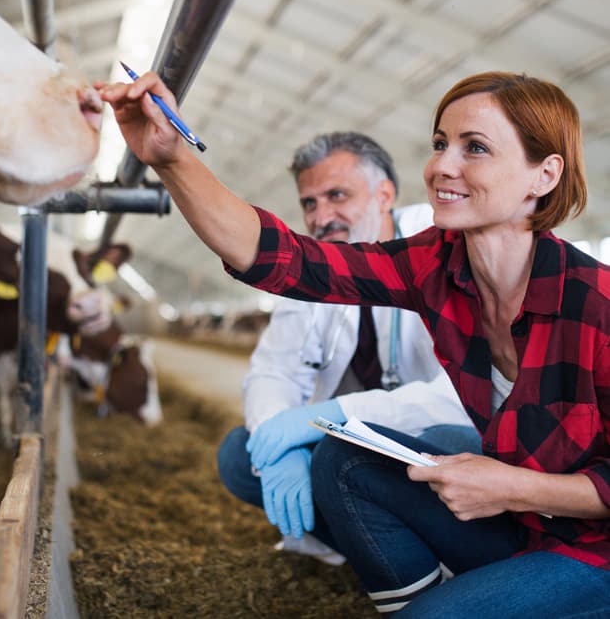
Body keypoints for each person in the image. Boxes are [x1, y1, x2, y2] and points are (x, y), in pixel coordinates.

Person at [99, 70, 609, 616]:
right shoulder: (438, 262)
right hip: (519, 526)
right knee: (341, 460)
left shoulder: (595, 302)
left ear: (544, 175)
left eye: (475, 148)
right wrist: (171, 158)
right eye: (440, 144)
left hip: (591, 548)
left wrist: (513, 488)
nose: (441, 166)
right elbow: (287, 259)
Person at [216, 131, 478, 566]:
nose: (322, 217)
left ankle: (435, 559)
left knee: (449, 439)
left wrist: (335, 417)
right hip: (352, 446)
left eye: (337, 195)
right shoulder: (311, 268)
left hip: (425, 444)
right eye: (310, 203)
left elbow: (464, 395)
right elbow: (273, 371)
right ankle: (378, 555)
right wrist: (285, 444)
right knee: (241, 454)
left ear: (385, 194)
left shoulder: (445, 249)